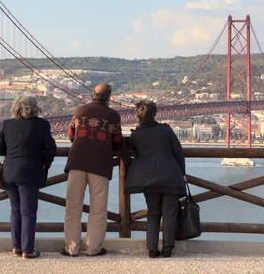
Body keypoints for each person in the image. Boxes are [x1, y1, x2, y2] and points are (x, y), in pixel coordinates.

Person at [62, 83, 123, 257]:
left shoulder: (80, 110)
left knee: (73, 207)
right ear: (109, 97)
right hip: (100, 165)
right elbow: (118, 142)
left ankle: (72, 249)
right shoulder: (113, 115)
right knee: (98, 209)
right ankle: (93, 249)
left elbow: (71, 135)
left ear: (92, 95)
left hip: (77, 163)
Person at [0, 96, 57, 259]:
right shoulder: (42, 125)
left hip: (9, 173)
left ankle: (16, 247)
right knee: (28, 212)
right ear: (35, 107)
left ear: (16, 107)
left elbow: (0, 150)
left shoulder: (7, 124)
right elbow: (51, 149)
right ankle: (28, 250)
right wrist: (44, 164)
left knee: (15, 210)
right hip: (30, 172)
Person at [124, 100, 186, 258]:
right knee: (170, 213)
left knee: (153, 213)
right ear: (155, 113)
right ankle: (167, 249)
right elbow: (178, 152)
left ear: (137, 115)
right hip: (171, 176)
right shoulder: (166, 130)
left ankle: (152, 249)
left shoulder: (136, 135)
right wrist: (183, 172)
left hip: (148, 179)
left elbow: (133, 151)